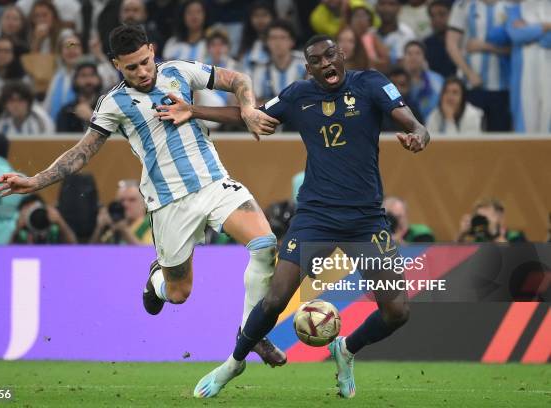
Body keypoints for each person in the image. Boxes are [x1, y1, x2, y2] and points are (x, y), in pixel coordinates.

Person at [0, 24, 286, 367]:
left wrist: (248, 108)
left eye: (145, 61)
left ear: (152, 49)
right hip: (169, 203)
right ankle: (156, 280)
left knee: (265, 244)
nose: (142, 71)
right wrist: (36, 180)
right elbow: (82, 152)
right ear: (117, 64)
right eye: (132, 67)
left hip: (214, 183)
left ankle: (250, 334)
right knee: (178, 293)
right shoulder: (114, 103)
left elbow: (237, 79)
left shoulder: (179, 71)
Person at [154, 34, 430, 399]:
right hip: (316, 216)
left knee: (397, 311)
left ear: (341, 55)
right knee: (275, 299)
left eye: (330, 55)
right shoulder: (299, 94)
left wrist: (418, 134)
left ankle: (346, 349)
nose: (326, 63)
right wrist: (195, 110)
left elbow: (410, 121)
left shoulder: (371, 84)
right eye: (316, 60)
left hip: (365, 220)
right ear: (309, 68)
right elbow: (249, 115)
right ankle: (233, 362)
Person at [446, 0, 512, 131]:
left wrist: (484, 46)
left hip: (502, 86)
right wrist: (469, 74)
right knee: (469, 132)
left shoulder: (509, 6)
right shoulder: (463, 5)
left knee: (500, 137)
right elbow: (451, 44)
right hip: (471, 85)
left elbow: (516, 47)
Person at [487, 0, 551, 133]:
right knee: (525, 117)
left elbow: (545, 39)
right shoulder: (515, 10)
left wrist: (529, 30)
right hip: (523, 77)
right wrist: (545, 27)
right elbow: (517, 35)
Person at [250, 20, 307, 107]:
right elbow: (255, 101)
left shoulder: (305, 65)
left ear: (292, 41)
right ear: (266, 42)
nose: (278, 43)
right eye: (273, 38)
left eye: (282, 37)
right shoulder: (260, 69)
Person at [91, 179, 153, 245]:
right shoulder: (112, 226)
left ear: (145, 203)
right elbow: (91, 253)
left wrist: (124, 230)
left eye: (132, 200)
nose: (125, 204)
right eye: (121, 200)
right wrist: (99, 228)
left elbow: (149, 253)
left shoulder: (152, 225)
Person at [402, 40, 444, 121]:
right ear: (404, 58)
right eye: (409, 53)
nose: (413, 57)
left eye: (418, 53)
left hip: (433, 125)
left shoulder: (437, 80)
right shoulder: (397, 80)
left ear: (424, 57)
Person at [11, 193, 78, 244]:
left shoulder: (53, 229)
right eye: (28, 211)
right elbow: (6, 255)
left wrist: (59, 220)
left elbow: (73, 246)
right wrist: (17, 229)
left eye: (35, 209)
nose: (34, 215)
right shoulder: (22, 234)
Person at [56, 61, 102, 132]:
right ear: (75, 80)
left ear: (99, 79)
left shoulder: (108, 108)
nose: (88, 80)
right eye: (83, 75)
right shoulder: (67, 111)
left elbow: (117, 136)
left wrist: (92, 118)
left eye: (92, 75)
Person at [456, 198, 527, 243]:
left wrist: (505, 246)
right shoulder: (479, 239)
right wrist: (462, 233)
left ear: (499, 217)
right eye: (479, 217)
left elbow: (525, 263)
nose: (482, 221)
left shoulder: (516, 237)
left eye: (485, 217)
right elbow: (456, 258)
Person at [375, 0, 416, 65]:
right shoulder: (370, 34)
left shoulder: (407, 34)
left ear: (399, 8)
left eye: (391, 4)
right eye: (382, 3)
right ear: (376, 8)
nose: (386, 8)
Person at [423, 0, 456, 78]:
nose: (437, 19)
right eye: (432, 16)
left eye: (442, 14)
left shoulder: (460, 42)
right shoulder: (426, 44)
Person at [237, 1, 275, 70]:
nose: (260, 20)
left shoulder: (280, 41)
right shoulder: (246, 45)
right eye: (256, 15)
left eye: (264, 15)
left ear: (272, 17)